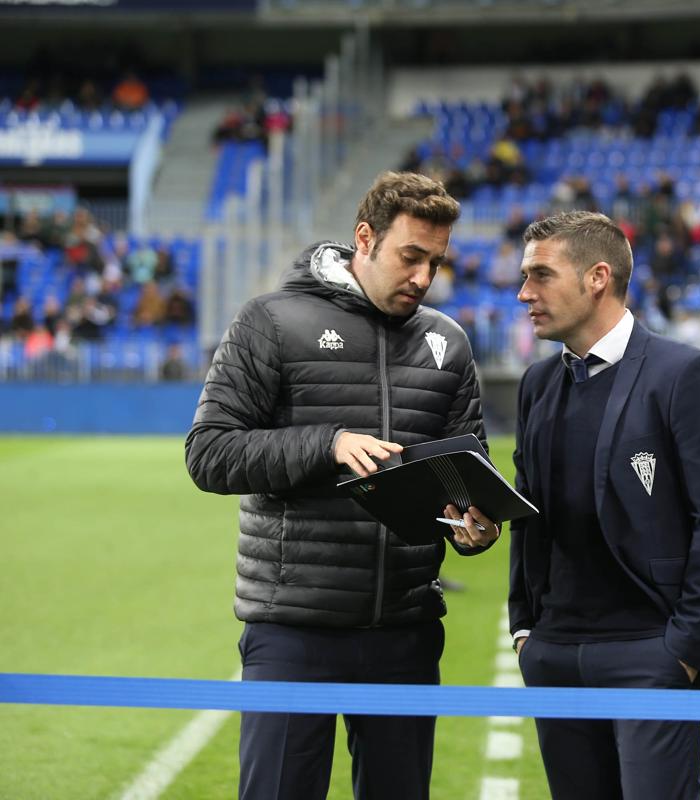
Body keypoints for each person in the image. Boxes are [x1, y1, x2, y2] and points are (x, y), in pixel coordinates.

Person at [185, 171, 497, 800]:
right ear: (365, 238)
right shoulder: (270, 321)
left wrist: (474, 526)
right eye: (411, 256)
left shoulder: (448, 343)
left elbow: (469, 470)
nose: (423, 278)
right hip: (293, 627)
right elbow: (209, 452)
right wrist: (327, 444)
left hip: (406, 631)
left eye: (435, 262)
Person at [508, 210, 700, 799]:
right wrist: (525, 626)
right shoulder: (538, 384)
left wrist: (681, 650)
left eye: (541, 275)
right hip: (554, 650)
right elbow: (531, 516)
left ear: (597, 277)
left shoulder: (686, 374)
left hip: (649, 648)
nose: (525, 293)